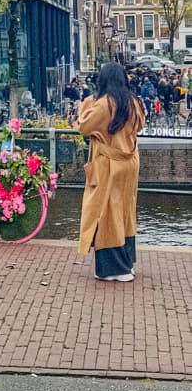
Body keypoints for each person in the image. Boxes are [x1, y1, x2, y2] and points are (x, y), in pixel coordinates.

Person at [77, 62, 145, 282]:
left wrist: (86, 104)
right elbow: (140, 126)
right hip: (130, 162)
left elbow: (83, 127)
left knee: (106, 212)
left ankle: (115, 269)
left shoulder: (104, 104)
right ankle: (128, 261)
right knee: (126, 210)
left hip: (109, 164)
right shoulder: (134, 102)